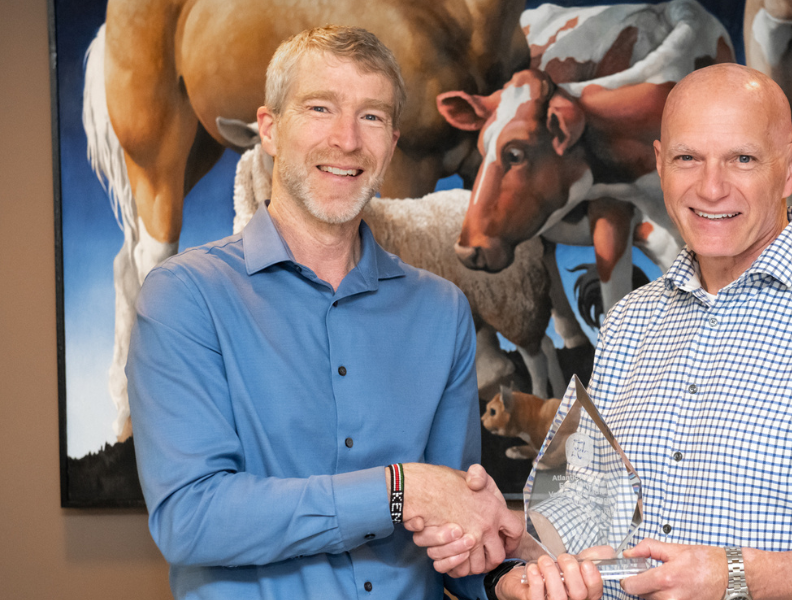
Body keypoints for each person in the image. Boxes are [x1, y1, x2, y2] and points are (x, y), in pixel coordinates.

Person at [427, 63, 792, 600]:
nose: (712, 188)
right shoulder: (630, 321)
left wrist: (738, 575)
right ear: (661, 164)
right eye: (688, 158)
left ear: (791, 167)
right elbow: (593, 499)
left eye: (742, 158)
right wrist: (519, 538)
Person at [126, 25, 522, 600]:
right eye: (319, 108)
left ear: (391, 143)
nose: (346, 139)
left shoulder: (443, 311)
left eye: (372, 117)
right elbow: (191, 519)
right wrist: (397, 489)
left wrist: (506, 578)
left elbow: (451, 530)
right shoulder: (185, 297)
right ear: (269, 129)